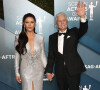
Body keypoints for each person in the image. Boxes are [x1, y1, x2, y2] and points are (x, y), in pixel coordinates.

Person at [45, 0, 88, 90]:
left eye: (64, 20)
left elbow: (83, 29)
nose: (62, 22)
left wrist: (82, 16)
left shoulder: (74, 32)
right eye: (59, 21)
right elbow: (51, 56)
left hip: (74, 69)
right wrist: (48, 71)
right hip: (60, 71)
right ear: (57, 24)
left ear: (67, 22)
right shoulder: (52, 37)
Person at [14, 13, 47, 90]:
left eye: (32, 22)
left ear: (35, 24)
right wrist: (16, 72)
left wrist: (48, 70)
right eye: (27, 22)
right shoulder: (18, 38)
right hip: (25, 70)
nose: (29, 24)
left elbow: (42, 55)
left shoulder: (40, 38)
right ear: (23, 24)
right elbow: (17, 57)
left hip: (39, 70)